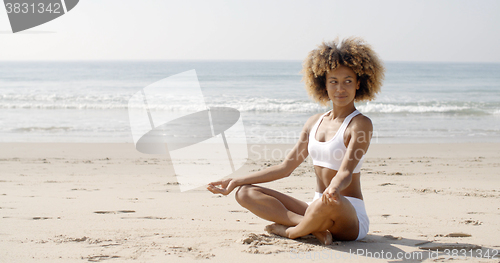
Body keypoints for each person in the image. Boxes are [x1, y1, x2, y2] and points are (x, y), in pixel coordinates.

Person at [207, 37, 385, 245]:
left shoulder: (360, 124)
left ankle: (290, 232)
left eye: (347, 81)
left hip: (346, 211)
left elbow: (345, 172)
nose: (340, 89)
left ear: (358, 84)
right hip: (316, 206)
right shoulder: (313, 123)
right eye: (333, 82)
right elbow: (285, 167)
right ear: (324, 84)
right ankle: (309, 227)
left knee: (323, 205)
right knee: (245, 193)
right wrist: (237, 180)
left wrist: (334, 188)